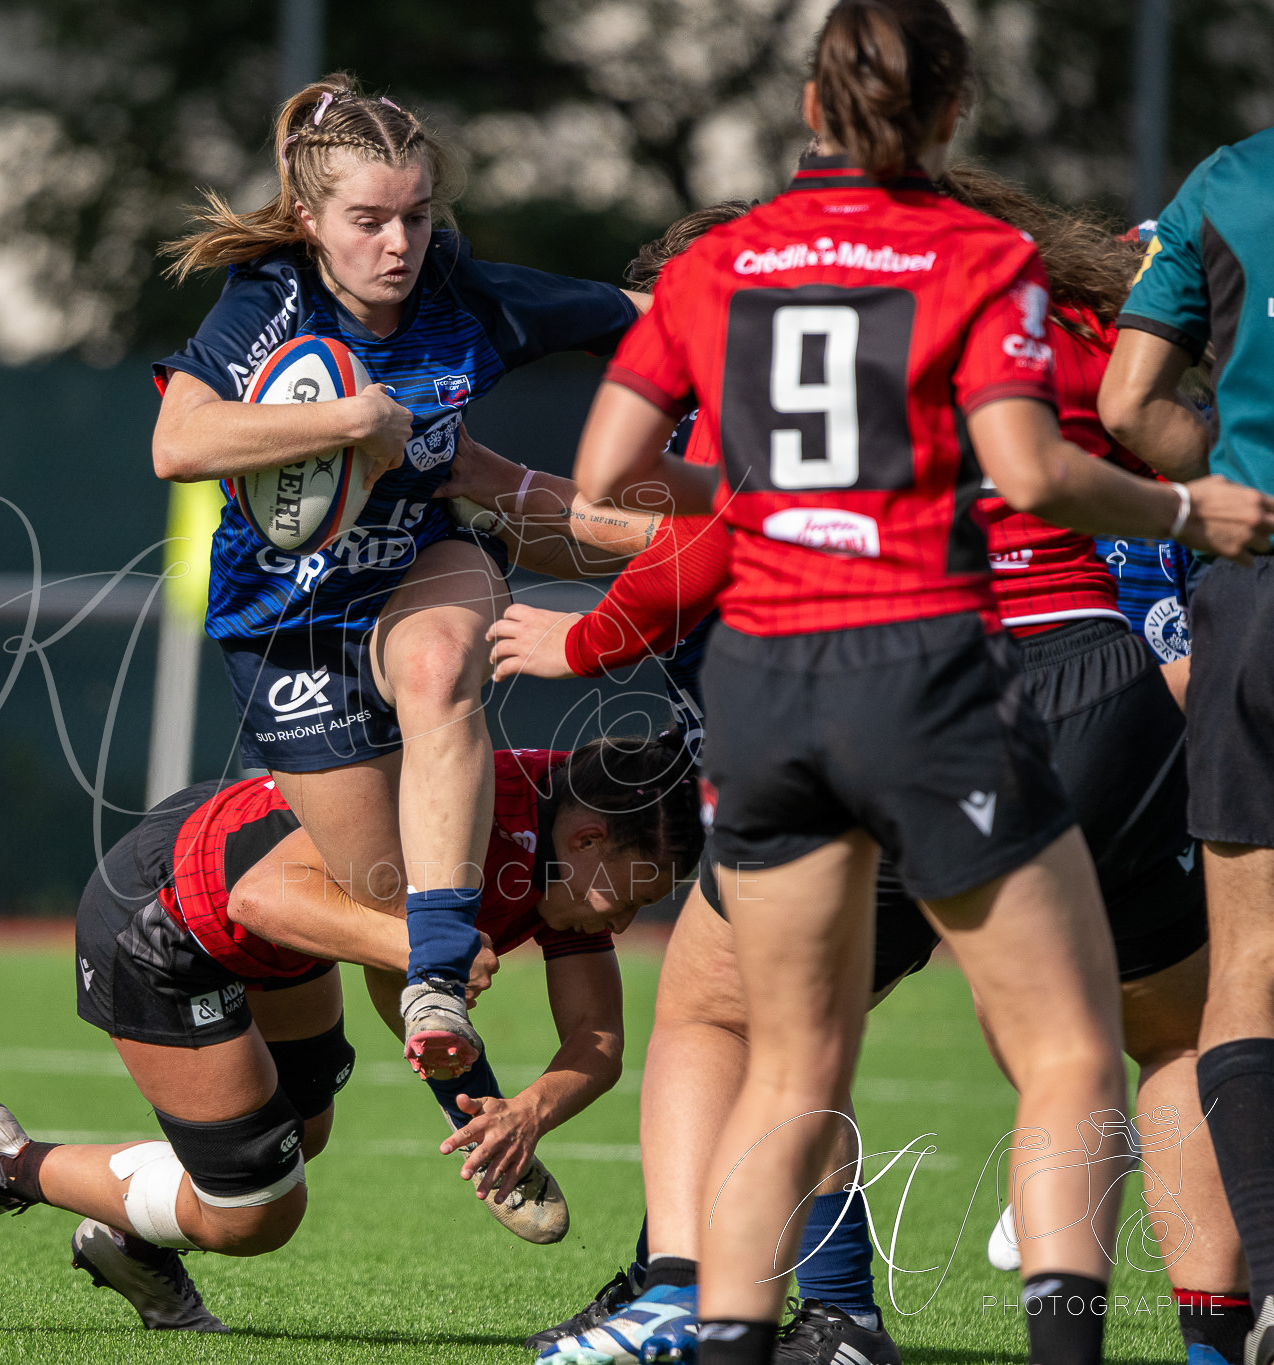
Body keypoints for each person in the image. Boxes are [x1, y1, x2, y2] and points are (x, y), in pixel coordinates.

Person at [541, 2, 1274, 1361]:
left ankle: (719, 1313)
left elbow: (604, 480)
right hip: (962, 675)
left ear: (808, 110)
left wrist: (766, 497)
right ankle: (1178, 1346)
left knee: (763, 1049)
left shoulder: (722, 263)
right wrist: (1189, 514)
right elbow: (1039, 469)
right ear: (950, 114)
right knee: (1084, 1048)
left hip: (774, 688)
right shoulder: (983, 258)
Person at [150, 73, 650, 1081]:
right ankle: (473, 1100)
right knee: (380, 899)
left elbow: (648, 316)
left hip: (424, 560)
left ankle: (439, 954)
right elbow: (177, 443)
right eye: (369, 220)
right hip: (284, 630)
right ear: (309, 220)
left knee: (435, 667)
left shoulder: (463, 296)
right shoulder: (271, 299)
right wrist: (351, 419)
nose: (398, 243)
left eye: (416, 216)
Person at [0, 736, 700, 1332]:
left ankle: (128, 1238)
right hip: (169, 920)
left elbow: (598, 1037)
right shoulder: (470, 814)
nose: (626, 920)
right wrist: (429, 952)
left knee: (299, 1134)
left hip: (278, 930)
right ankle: (8, 1162)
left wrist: (517, 1115)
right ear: (590, 837)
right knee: (257, 1215)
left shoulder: (571, 842)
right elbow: (261, 897)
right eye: (632, 896)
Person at [1099, 125, 1274, 1365]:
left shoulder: (1228, 181)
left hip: (1253, 594)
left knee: (1243, 969)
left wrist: (1233, 494)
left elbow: (1126, 401)